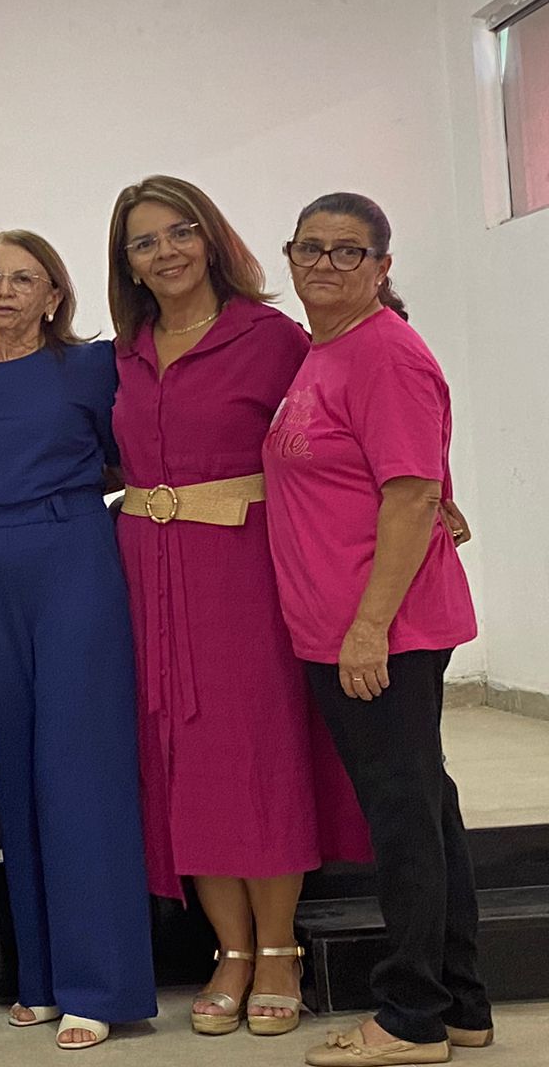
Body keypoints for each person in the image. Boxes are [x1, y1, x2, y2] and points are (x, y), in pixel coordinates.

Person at [107, 175, 370, 1039]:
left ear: (210, 237)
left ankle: (279, 947)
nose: (167, 251)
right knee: (180, 756)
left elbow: (338, 434)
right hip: (149, 572)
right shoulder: (126, 351)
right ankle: (231, 950)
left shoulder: (271, 338)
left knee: (256, 748)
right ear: (129, 264)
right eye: (145, 242)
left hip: (245, 571)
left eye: (181, 231)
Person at [264, 193, 492, 1067]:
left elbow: (410, 495)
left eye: (347, 251)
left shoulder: (384, 353)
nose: (324, 264)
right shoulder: (330, 351)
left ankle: (410, 1019)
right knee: (424, 806)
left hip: (384, 630)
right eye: (310, 248)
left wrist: (368, 629)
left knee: (402, 820)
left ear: (382, 267)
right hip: (345, 623)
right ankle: (460, 1003)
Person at [0, 231, 156, 1050]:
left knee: (81, 766)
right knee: (16, 764)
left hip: (72, 551)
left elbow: (129, 457)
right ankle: (41, 975)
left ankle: (100, 984)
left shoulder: (92, 367)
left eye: (22, 278)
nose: (4, 291)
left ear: (53, 295)